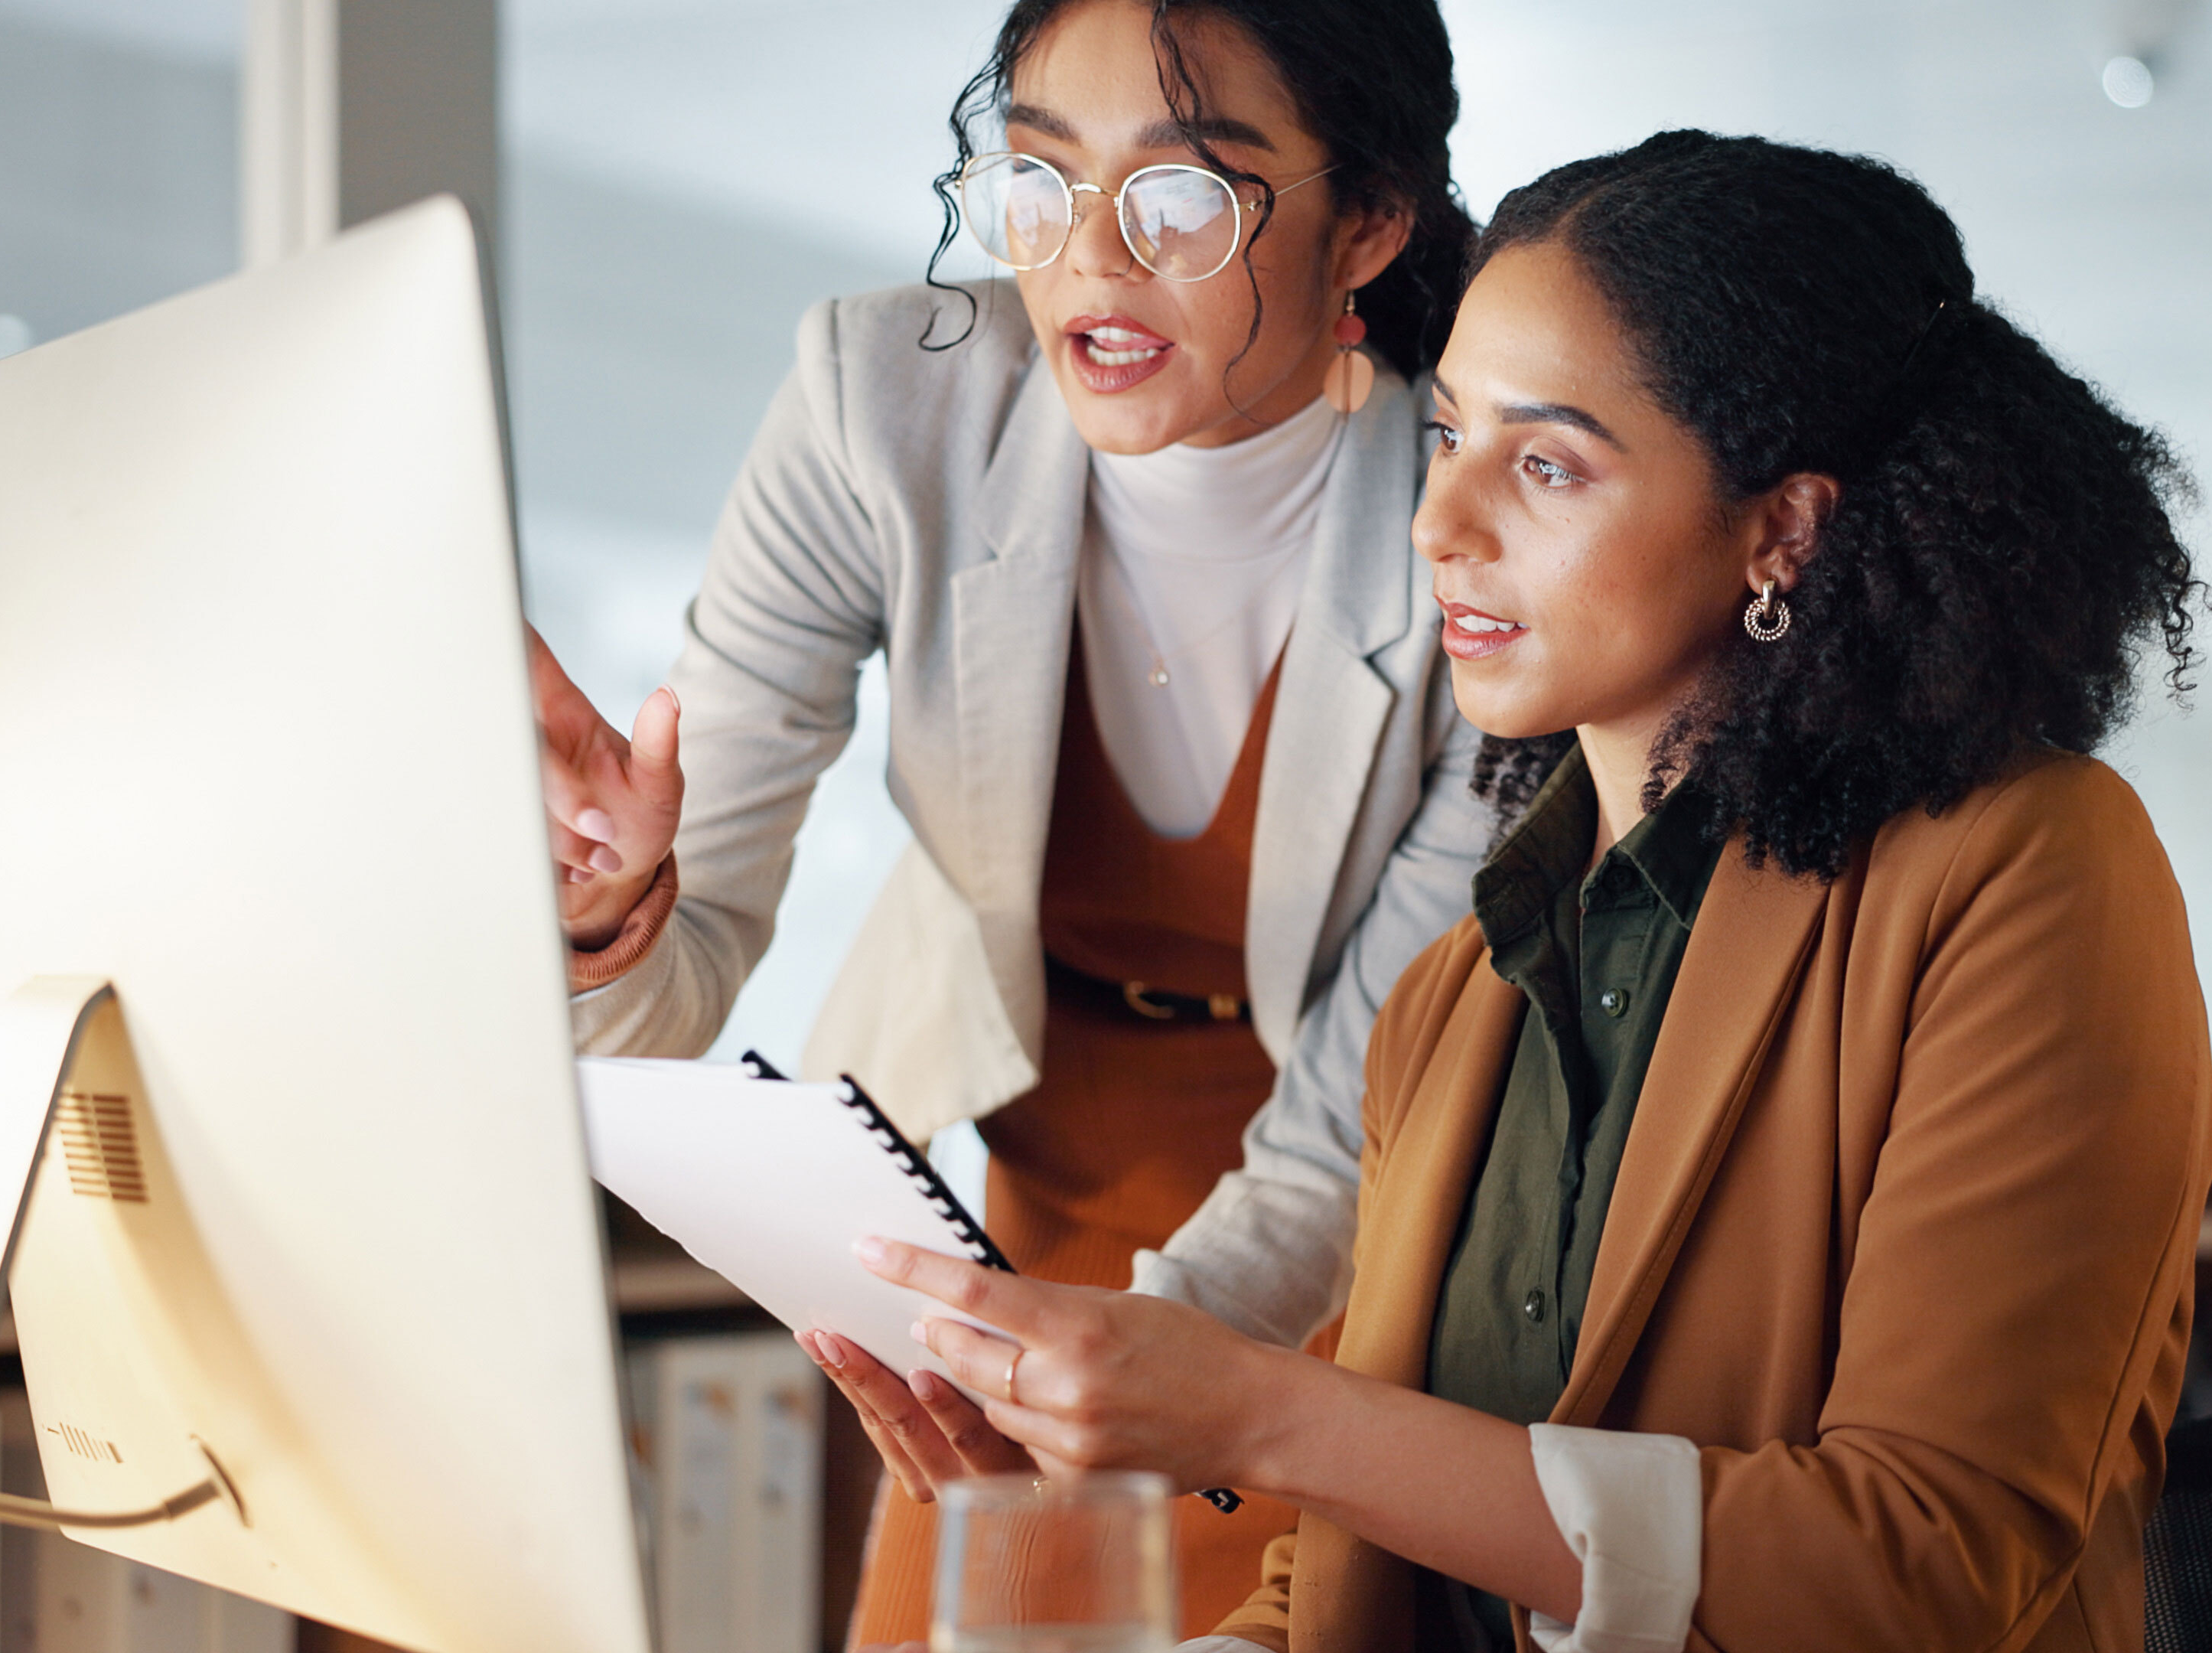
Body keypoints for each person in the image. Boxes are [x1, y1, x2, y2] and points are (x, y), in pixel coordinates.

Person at [833, 130, 2212, 1652]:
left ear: (1783, 530)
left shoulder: (2023, 873)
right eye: (1445, 438)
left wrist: (1256, 1416)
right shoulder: (1452, 990)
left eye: (1545, 463)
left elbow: (1911, 1573)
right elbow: (1351, 1583)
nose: (1440, 523)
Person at [525, 0, 1495, 1637]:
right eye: (1039, 181)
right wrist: (606, 905)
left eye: (1183, 195)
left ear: (1371, 223)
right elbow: (669, 991)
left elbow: (1350, 1128)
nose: (1088, 263)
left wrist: (1105, 1382)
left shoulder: (1472, 511)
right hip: (1024, 1225)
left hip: (1386, 1256)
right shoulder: (880, 405)